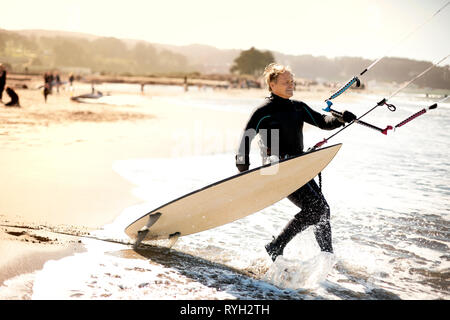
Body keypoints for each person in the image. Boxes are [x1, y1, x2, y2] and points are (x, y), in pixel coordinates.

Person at [235, 63, 356, 261]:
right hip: (276, 168)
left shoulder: (297, 108)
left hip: (297, 166)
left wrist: (340, 119)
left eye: (292, 82)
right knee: (318, 209)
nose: (291, 85)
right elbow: (246, 138)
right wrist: (243, 171)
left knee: (321, 210)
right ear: (272, 85)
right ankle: (279, 246)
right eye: (286, 82)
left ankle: (325, 255)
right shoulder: (264, 111)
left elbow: (322, 121)